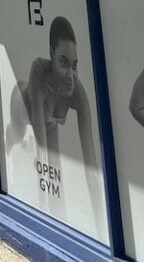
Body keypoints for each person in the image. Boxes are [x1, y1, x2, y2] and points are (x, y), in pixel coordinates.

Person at [6, 15, 103, 229]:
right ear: (51, 56)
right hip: (21, 106)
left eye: (75, 65)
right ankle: (8, 145)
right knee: (18, 135)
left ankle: (61, 222)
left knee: (56, 171)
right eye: (63, 62)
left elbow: (92, 170)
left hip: (49, 124)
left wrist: (103, 229)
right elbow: (42, 153)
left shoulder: (77, 93)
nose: (71, 75)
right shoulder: (39, 70)